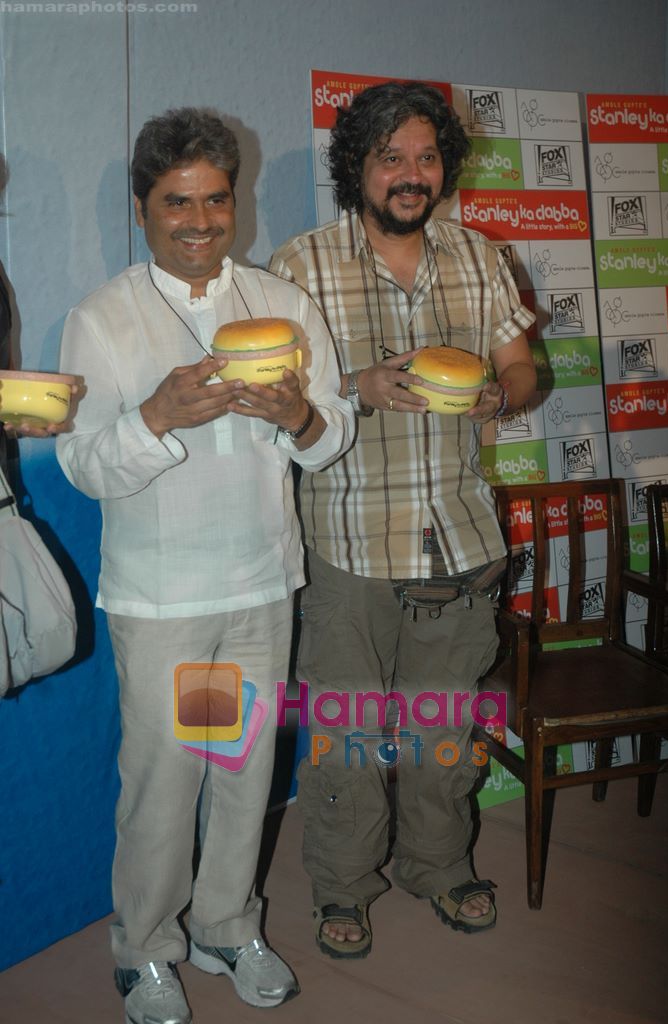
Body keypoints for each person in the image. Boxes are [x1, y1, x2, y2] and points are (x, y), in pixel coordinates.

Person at [57, 107, 353, 1023]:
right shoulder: (102, 317)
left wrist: (299, 417)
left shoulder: (283, 304)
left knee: (244, 771)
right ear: (143, 210)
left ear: (237, 203)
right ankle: (145, 948)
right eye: (176, 201)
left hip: (262, 581)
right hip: (161, 597)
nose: (198, 220)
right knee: (162, 778)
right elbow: (83, 464)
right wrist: (154, 418)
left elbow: (331, 432)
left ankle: (228, 925)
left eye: (215, 199)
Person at [269, 81, 537, 958]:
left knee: (442, 728)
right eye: (391, 158)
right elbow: (278, 395)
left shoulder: (476, 254)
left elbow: (520, 369)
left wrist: (502, 391)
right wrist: (356, 386)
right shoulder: (300, 264)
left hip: (458, 537)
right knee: (345, 735)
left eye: (425, 156)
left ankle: (439, 865)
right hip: (347, 544)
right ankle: (343, 889)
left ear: (443, 167)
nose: (410, 175)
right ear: (359, 167)